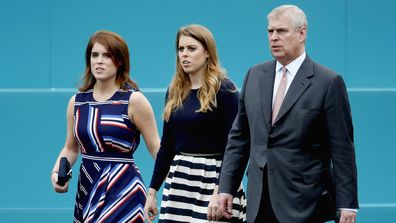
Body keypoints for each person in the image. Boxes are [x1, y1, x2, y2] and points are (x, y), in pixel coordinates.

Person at [217, 5, 359, 223]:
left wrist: (347, 204)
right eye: (270, 31)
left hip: (304, 203)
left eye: (281, 31)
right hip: (259, 203)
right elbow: (239, 138)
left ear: (302, 33)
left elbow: (342, 148)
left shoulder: (328, 82)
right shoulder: (254, 76)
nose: (274, 38)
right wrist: (225, 188)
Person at [50, 30, 160, 223]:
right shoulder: (76, 103)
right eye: (95, 55)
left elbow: (157, 149)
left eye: (107, 55)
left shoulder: (134, 101)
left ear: (120, 61)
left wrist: (156, 191)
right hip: (88, 186)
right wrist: (56, 172)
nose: (99, 61)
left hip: (124, 188)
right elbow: (70, 148)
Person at [143, 24, 247, 223]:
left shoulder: (225, 90)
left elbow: (233, 147)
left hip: (215, 180)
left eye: (191, 49)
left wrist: (220, 190)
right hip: (180, 181)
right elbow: (167, 147)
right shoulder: (174, 91)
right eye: (181, 49)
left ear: (207, 52)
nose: (184, 54)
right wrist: (152, 192)